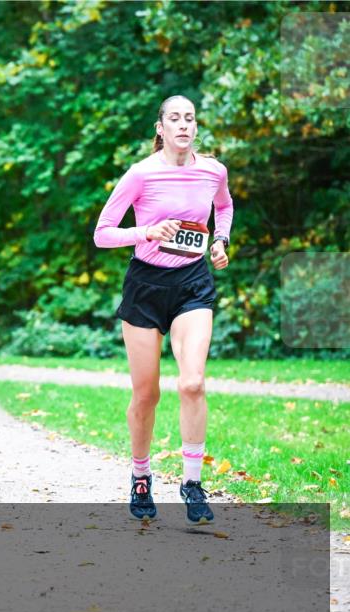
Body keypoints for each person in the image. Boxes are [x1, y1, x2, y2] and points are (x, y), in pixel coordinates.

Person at [93, 95, 233, 525]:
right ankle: (140, 475)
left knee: (192, 383)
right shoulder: (141, 175)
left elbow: (224, 206)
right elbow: (102, 234)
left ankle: (192, 483)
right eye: (174, 118)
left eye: (189, 118)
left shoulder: (213, 170)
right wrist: (147, 231)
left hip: (192, 284)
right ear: (160, 128)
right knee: (147, 393)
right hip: (146, 287)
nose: (183, 126)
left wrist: (220, 240)